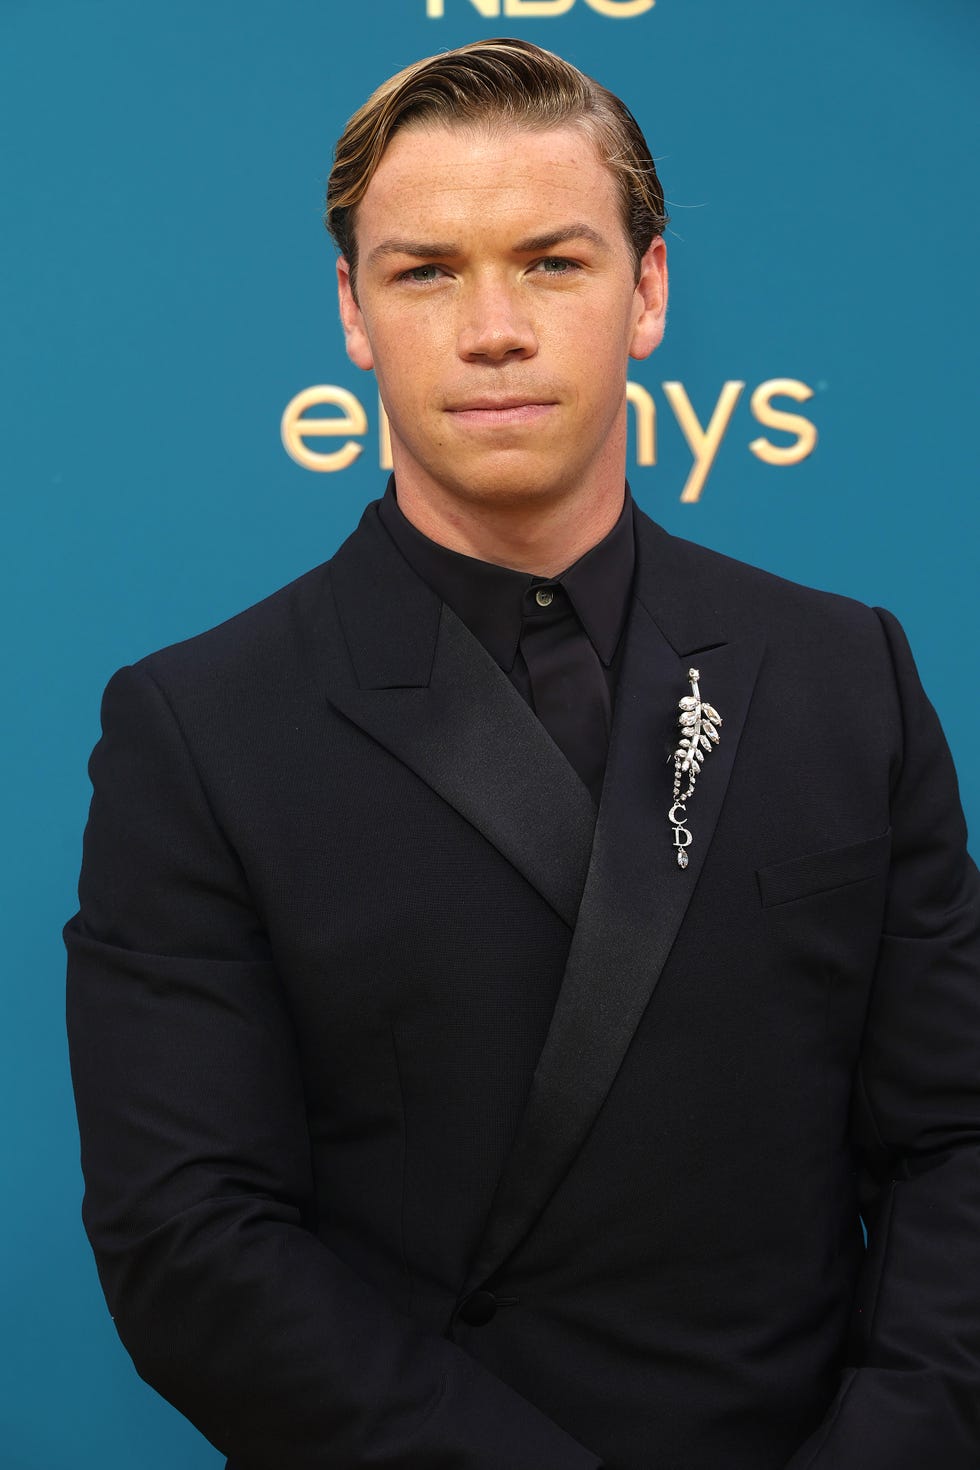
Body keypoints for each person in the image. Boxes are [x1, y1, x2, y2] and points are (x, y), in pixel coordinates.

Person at [66, 37, 980, 1470]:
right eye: (426, 271)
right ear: (355, 312)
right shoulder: (198, 727)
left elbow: (957, 1140)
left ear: (650, 291)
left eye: (552, 261)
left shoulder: (844, 673)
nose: (493, 327)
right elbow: (192, 1242)